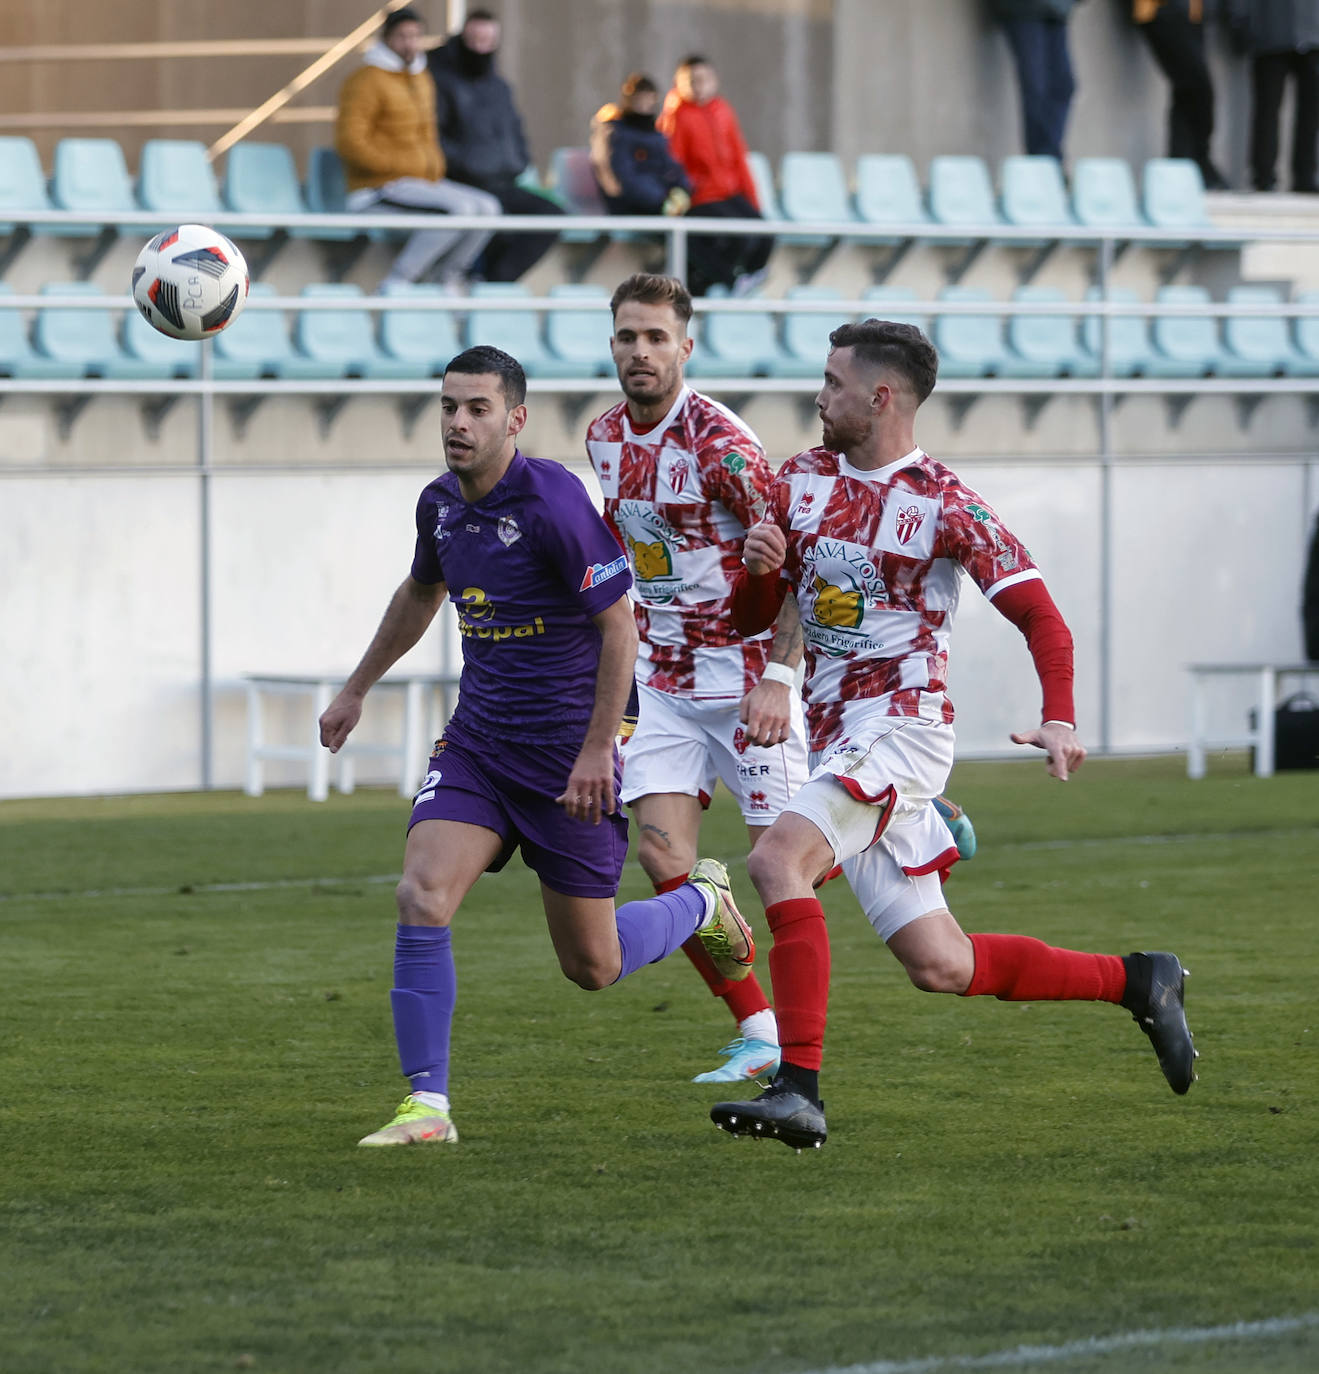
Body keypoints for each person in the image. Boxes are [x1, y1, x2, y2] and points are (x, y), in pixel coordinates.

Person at [708, 318, 1198, 1150]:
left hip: (903, 727)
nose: (819, 397)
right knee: (942, 964)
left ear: (881, 396)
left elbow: (1040, 615)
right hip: (840, 738)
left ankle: (797, 1088)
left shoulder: (944, 501)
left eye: (832, 383)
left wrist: (1060, 717)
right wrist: (757, 571)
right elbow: (752, 618)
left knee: (773, 858)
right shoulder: (798, 482)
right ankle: (1138, 980)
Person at [317, 344, 756, 1147]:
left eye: (477, 408)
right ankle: (427, 1108)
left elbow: (619, 627)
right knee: (421, 895)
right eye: (448, 405)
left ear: (514, 419)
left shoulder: (553, 502)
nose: (457, 422)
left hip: (567, 759)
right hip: (479, 745)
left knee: (592, 967)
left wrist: (597, 752)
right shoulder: (439, 506)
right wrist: (355, 688)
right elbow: (421, 591)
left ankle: (700, 900)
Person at [585, 272, 809, 1084]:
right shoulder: (603, 436)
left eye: (654, 337)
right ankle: (758, 1031)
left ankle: (920, 818)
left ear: (686, 345)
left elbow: (794, 567)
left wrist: (779, 675)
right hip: (667, 683)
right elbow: (618, 551)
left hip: (746, 682)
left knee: (787, 868)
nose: (638, 352)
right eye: (625, 337)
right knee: (660, 856)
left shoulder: (721, 445)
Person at [334, 6, 501, 288]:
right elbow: (350, 142)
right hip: (379, 187)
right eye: (402, 36)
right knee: (457, 211)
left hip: (421, 183)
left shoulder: (421, 77)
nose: (409, 43)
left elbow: (427, 135)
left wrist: (431, 166)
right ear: (387, 38)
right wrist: (395, 167)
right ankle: (399, 281)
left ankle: (448, 276)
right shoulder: (366, 80)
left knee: (489, 208)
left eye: (415, 36)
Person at [427, 8, 564, 281]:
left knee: (551, 216)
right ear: (463, 37)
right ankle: (480, 283)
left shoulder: (498, 85)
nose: (481, 46)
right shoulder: (439, 80)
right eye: (475, 39)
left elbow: (515, 131)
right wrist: (466, 165)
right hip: (464, 181)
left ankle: (495, 283)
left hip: (503, 181)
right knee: (492, 218)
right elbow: (433, 135)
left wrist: (518, 160)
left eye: (487, 40)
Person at [657, 56, 773, 297]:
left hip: (727, 193)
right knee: (734, 236)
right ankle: (724, 281)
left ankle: (735, 280)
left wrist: (751, 198)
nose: (698, 86)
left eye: (703, 80)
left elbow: (739, 158)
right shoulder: (677, 115)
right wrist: (681, 194)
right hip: (700, 196)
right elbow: (672, 162)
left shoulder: (722, 110)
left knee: (764, 234)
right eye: (691, 80)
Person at [1132, 1, 1229, 190]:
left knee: (1185, 91)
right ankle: (1198, 160)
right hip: (1161, 10)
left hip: (1194, 14)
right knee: (1199, 86)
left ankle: (1180, 164)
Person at [1226, 0, 1319, 193]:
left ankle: (1305, 176)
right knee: (1267, 110)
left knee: (1312, 113)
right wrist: (1239, 21)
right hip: (1270, 34)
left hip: (1313, 35)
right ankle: (1263, 177)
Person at [987, 0, 1083, 161]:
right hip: (1024, 8)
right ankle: (1042, 158)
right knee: (1036, 84)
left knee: (1063, 86)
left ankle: (1049, 157)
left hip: (1055, 10)